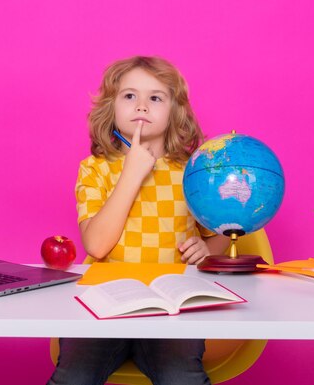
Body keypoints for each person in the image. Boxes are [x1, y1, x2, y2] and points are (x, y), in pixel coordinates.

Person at [47, 56, 229, 385]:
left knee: (182, 377)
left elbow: (220, 239)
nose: (141, 106)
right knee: (73, 375)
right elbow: (97, 245)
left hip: (172, 308)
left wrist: (206, 247)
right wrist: (131, 175)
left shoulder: (195, 172)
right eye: (130, 96)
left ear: (176, 112)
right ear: (111, 108)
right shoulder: (95, 169)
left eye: (155, 98)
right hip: (105, 303)